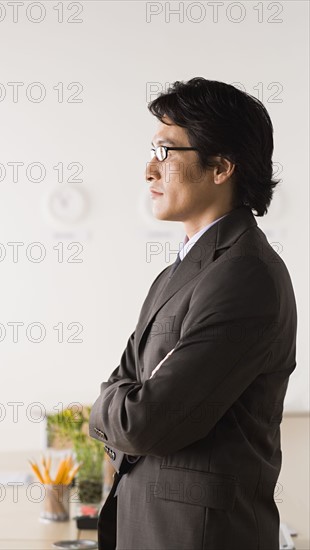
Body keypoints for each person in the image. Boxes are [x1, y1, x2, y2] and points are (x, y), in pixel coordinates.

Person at [89, 77, 297, 550]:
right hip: (153, 525)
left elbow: (145, 422)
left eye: (166, 152)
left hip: (199, 536)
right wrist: (122, 400)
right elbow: (126, 388)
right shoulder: (181, 270)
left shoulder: (246, 275)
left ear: (221, 167)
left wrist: (111, 404)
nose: (148, 170)